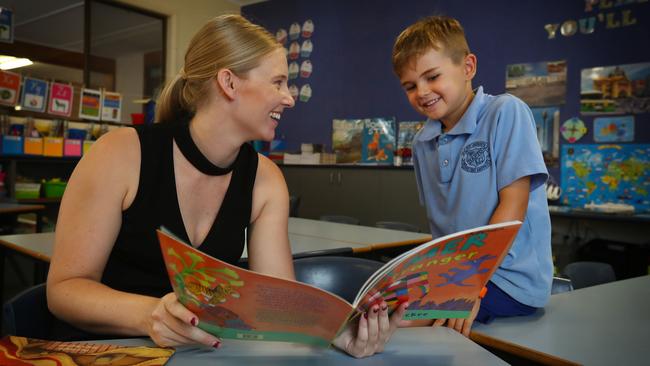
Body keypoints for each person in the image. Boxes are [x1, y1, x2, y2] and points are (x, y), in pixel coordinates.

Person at [47, 14, 406, 358]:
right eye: (278, 82)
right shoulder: (119, 153)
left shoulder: (266, 180)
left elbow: (278, 309)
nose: (289, 97)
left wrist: (342, 335)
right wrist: (149, 314)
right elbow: (64, 290)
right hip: (106, 353)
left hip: (201, 356)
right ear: (229, 82)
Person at [391, 15, 552, 336]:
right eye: (410, 86)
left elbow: (514, 208)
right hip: (458, 274)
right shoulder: (422, 142)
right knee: (380, 305)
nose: (421, 92)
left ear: (468, 68)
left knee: (400, 322)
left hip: (509, 279)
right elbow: (443, 228)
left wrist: (469, 286)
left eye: (432, 77)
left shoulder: (506, 112)